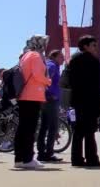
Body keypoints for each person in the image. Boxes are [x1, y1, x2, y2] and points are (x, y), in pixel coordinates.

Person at [14, 35, 53, 169]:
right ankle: (28, 158)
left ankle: (19, 158)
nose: (46, 45)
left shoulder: (26, 55)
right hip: (33, 95)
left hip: (24, 95)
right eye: (45, 43)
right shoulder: (36, 56)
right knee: (30, 129)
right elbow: (37, 75)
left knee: (23, 128)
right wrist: (48, 81)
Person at [69, 35, 100, 167]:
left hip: (77, 100)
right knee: (90, 131)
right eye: (94, 45)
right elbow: (98, 84)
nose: (96, 48)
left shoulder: (73, 60)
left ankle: (76, 159)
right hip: (91, 101)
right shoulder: (95, 62)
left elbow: (69, 81)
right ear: (86, 46)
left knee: (78, 131)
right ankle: (92, 159)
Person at [37, 50, 64, 162]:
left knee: (44, 127)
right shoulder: (52, 66)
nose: (63, 59)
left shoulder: (50, 65)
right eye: (61, 57)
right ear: (54, 56)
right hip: (51, 100)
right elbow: (45, 80)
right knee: (52, 127)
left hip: (46, 99)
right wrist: (50, 94)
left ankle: (41, 153)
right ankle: (49, 153)